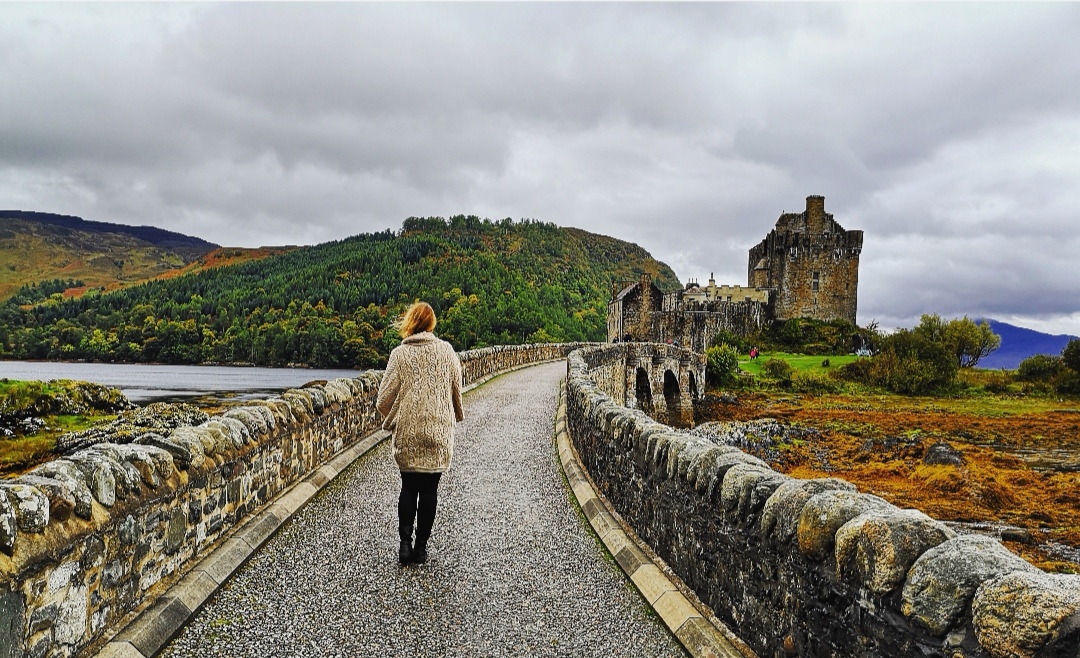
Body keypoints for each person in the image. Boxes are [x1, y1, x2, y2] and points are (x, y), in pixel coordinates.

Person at [376, 301, 464, 565]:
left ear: (410, 323)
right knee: (429, 491)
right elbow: (456, 389)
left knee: (408, 486)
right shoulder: (447, 351)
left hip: (408, 432)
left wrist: (395, 418)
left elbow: (382, 400)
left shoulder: (399, 355)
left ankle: (405, 545)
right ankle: (421, 549)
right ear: (431, 323)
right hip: (438, 431)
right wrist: (455, 414)